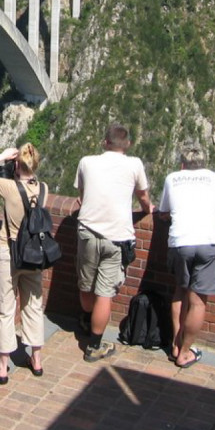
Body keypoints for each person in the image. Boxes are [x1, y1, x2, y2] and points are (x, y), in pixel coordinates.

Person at [0, 143, 48, 383]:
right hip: (34, 253)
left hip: (8, 251)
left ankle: (2, 367)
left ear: (16, 164)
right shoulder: (43, 188)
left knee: (5, 308)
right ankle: (36, 360)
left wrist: (0, 156)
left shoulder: (8, 187)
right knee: (33, 305)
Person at [75, 123, 152, 362]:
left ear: (104, 142)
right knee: (104, 294)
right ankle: (94, 346)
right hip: (117, 237)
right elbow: (143, 197)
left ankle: (87, 322)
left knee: (86, 285)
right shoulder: (134, 164)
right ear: (127, 144)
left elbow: (82, 196)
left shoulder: (87, 162)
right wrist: (149, 210)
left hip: (87, 230)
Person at [157, 143, 215, 369]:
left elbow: (164, 212)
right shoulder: (214, 178)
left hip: (180, 242)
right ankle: (185, 352)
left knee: (180, 291)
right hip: (208, 241)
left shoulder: (172, 178)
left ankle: (176, 345)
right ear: (204, 163)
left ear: (182, 164)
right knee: (197, 302)